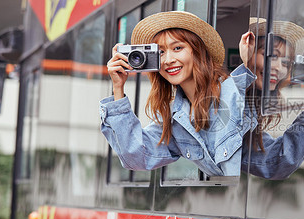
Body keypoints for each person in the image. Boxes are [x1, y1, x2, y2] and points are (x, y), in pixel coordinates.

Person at [100, 11, 255, 177]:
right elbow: (137, 157)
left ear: (198, 51)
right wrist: (118, 88)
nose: (168, 60)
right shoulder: (175, 119)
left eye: (177, 48)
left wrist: (250, 64)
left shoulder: (234, 92)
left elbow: (274, 159)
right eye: (160, 52)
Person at [237, 18, 304, 179]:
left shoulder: (252, 112)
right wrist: (246, 69)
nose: (278, 68)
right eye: (271, 56)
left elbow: (274, 163)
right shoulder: (219, 93)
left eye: (286, 63)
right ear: (247, 51)